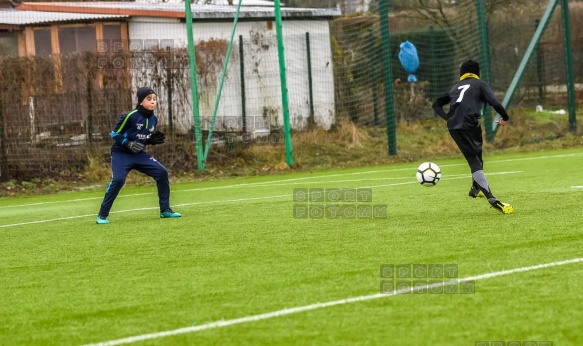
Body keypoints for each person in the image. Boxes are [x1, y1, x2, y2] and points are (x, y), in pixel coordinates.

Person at [432, 60, 513, 214]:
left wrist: (448, 118)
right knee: (474, 160)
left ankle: (475, 188)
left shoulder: (455, 87)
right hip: (470, 124)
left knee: (476, 154)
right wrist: (505, 117)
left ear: (461, 73)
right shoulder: (480, 84)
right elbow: (494, 103)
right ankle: (491, 197)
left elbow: (436, 104)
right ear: (477, 72)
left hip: (454, 126)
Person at [96, 87, 182, 224]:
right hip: (121, 153)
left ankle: (165, 210)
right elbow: (114, 134)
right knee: (118, 180)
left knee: (162, 172)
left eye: (154, 99)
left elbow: (141, 139)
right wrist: (127, 143)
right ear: (141, 101)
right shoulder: (130, 116)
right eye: (149, 99)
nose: (153, 101)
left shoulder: (154, 119)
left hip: (138, 155)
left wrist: (150, 141)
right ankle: (102, 215)